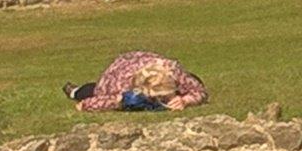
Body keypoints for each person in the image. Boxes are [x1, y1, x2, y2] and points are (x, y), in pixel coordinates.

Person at [67, 50, 208, 113]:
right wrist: (119, 101)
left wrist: (186, 100)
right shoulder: (121, 86)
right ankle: (74, 91)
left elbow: (200, 91)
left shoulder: (172, 70)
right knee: (92, 91)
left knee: (194, 80)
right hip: (118, 71)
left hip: (145, 60)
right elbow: (85, 105)